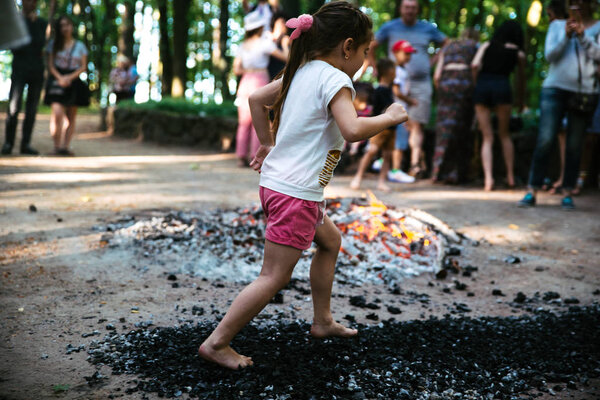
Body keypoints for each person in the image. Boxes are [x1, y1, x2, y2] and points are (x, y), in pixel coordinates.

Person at [199, 1, 407, 370]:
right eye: (363, 51)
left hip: (282, 186)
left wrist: (267, 144)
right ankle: (217, 343)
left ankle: (322, 321)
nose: (363, 59)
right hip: (295, 194)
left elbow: (257, 99)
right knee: (273, 276)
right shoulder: (336, 79)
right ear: (347, 47)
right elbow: (353, 129)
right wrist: (389, 116)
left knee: (330, 242)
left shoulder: (302, 70)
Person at [519, 0, 600, 209]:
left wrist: (583, 37)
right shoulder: (556, 26)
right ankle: (532, 189)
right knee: (545, 139)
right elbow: (550, 55)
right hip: (554, 89)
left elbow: (598, 56)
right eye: (573, 2)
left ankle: (567, 192)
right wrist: (566, 35)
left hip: (583, 92)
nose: (578, 5)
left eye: (582, 1)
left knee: (575, 144)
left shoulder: (598, 27)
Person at [368, 0, 447, 178]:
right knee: (394, 122)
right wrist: (375, 68)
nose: (410, 10)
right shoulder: (390, 27)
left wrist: (433, 63)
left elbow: (446, 42)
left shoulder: (427, 28)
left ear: (417, 9)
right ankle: (389, 164)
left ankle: (413, 164)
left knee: (416, 124)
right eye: (406, 7)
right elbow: (372, 45)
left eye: (413, 7)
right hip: (397, 83)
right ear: (401, 9)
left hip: (421, 83)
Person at [471, 20, 525, 191]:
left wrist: (476, 84)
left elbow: (474, 64)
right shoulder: (518, 53)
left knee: (487, 137)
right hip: (502, 87)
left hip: (483, 87)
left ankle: (489, 180)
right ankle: (510, 177)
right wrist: (520, 101)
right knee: (504, 134)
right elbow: (520, 79)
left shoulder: (487, 45)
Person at [233, 10, 288, 167]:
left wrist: (248, 69)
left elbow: (236, 69)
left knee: (243, 122)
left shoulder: (243, 46)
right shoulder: (264, 43)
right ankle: (256, 155)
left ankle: (240, 156)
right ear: (259, 28)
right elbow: (286, 58)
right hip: (260, 80)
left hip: (244, 82)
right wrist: (285, 45)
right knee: (260, 119)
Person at [431, 28, 479, 184]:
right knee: (462, 130)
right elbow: (476, 66)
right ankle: (456, 173)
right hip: (464, 86)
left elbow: (437, 76)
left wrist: (443, 93)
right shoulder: (475, 46)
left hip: (446, 87)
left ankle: (437, 172)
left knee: (443, 130)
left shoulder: (448, 47)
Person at [2, 0, 47, 156]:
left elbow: (39, 43)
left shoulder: (41, 23)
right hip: (19, 70)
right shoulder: (16, 23)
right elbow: (16, 46)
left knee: (32, 109)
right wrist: (26, 23)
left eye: (34, 1)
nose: (31, 3)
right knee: (14, 108)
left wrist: (32, 24)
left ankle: (25, 143)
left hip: (37, 71)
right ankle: (8, 143)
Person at [350, 59, 399, 191]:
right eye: (394, 70)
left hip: (392, 128)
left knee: (387, 155)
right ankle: (358, 177)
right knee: (371, 151)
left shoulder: (390, 90)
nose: (396, 73)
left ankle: (381, 181)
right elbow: (376, 110)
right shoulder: (379, 91)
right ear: (388, 72)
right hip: (379, 128)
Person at [44, 15, 89, 156]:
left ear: (72, 26)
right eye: (62, 25)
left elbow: (83, 66)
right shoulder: (53, 45)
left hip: (73, 81)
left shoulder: (80, 46)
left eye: (68, 24)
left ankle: (65, 146)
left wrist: (69, 77)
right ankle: (56, 146)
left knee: (71, 116)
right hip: (57, 79)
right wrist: (60, 78)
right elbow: (50, 65)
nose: (65, 28)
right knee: (57, 113)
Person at [389, 40, 417, 184]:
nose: (408, 57)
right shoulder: (397, 71)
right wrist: (410, 100)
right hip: (398, 109)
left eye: (409, 54)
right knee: (399, 141)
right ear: (395, 53)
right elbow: (396, 91)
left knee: (399, 139)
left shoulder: (403, 70)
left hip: (401, 109)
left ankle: (390, 167)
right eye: (405, 53)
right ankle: (395, 170)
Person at [267, 12, 290, 81]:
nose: (284, 25)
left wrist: (285, 45)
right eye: (282, 22)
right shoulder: (267, 39)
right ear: (274, 24)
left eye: (286, 23)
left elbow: (290, 60)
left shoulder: (286, 42)